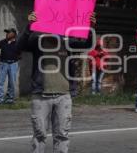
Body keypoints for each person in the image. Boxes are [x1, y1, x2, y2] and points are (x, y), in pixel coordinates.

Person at [16, 12, 95, 153]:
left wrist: (90, 28)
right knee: (39, 135)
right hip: (41, 96)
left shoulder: (68, 42)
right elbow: (20, 46)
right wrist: (29, 26)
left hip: (64, 96)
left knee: (62, 135)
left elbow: (87, 44)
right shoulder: (37, 40)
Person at [0, 28, 20, 104]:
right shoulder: (3, 42)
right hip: (3, 64)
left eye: (8, 32)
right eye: (6, 32)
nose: (7, 34)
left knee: (12, 82)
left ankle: (10, 100)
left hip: (13, 64)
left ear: (14, 34)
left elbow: (20, 53)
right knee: (0, 82)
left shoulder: (18, 43)